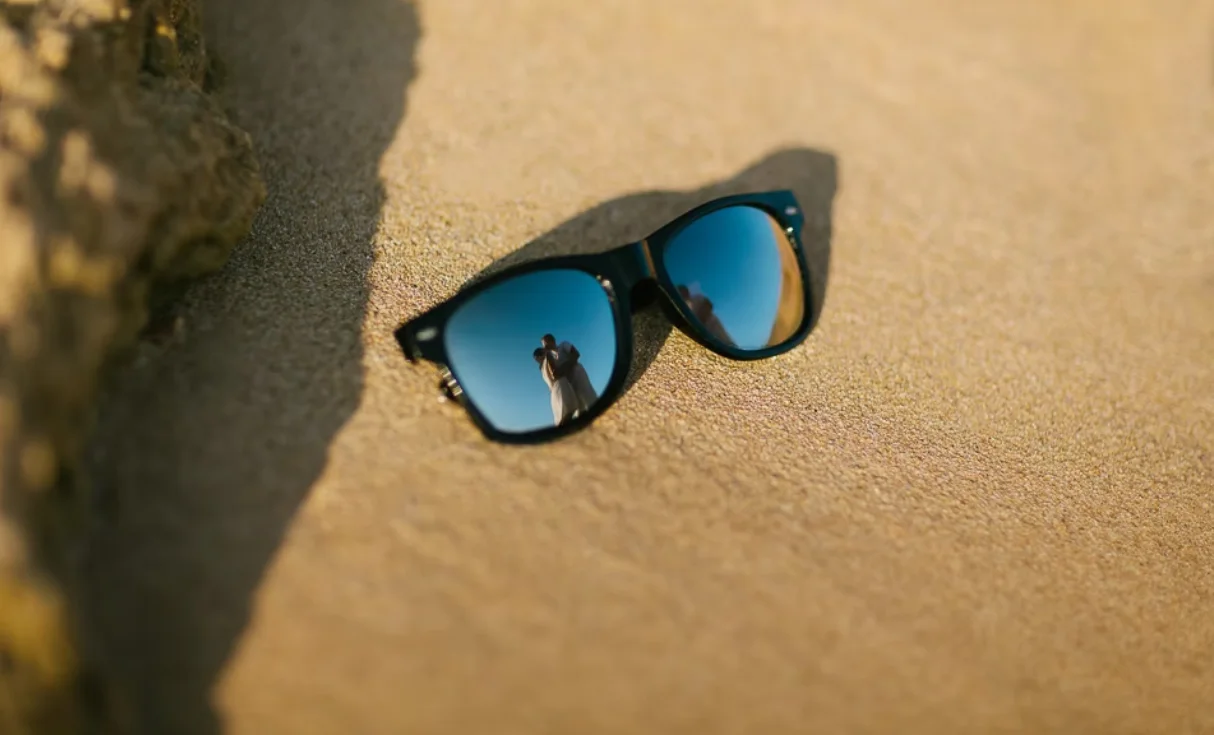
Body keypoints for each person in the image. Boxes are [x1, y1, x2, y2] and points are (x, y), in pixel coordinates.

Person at [542, 333, 596, 412]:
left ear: (552, 341)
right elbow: (555, 373)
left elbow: (576, 354)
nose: (544, 346)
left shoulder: (564, 345)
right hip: (568, 381)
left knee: (587, 396)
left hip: (577, 373)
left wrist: (564, 368)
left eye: (545, 343)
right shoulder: (551, 357)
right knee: (578, 405)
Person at [534, 347, 577, 425]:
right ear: (542, 353)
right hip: (561, 386)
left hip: (554, 392)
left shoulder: (541, 369)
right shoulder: (548, 356)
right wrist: (568, 363)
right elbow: (555, 373)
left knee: (563, 417)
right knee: (568, 414)